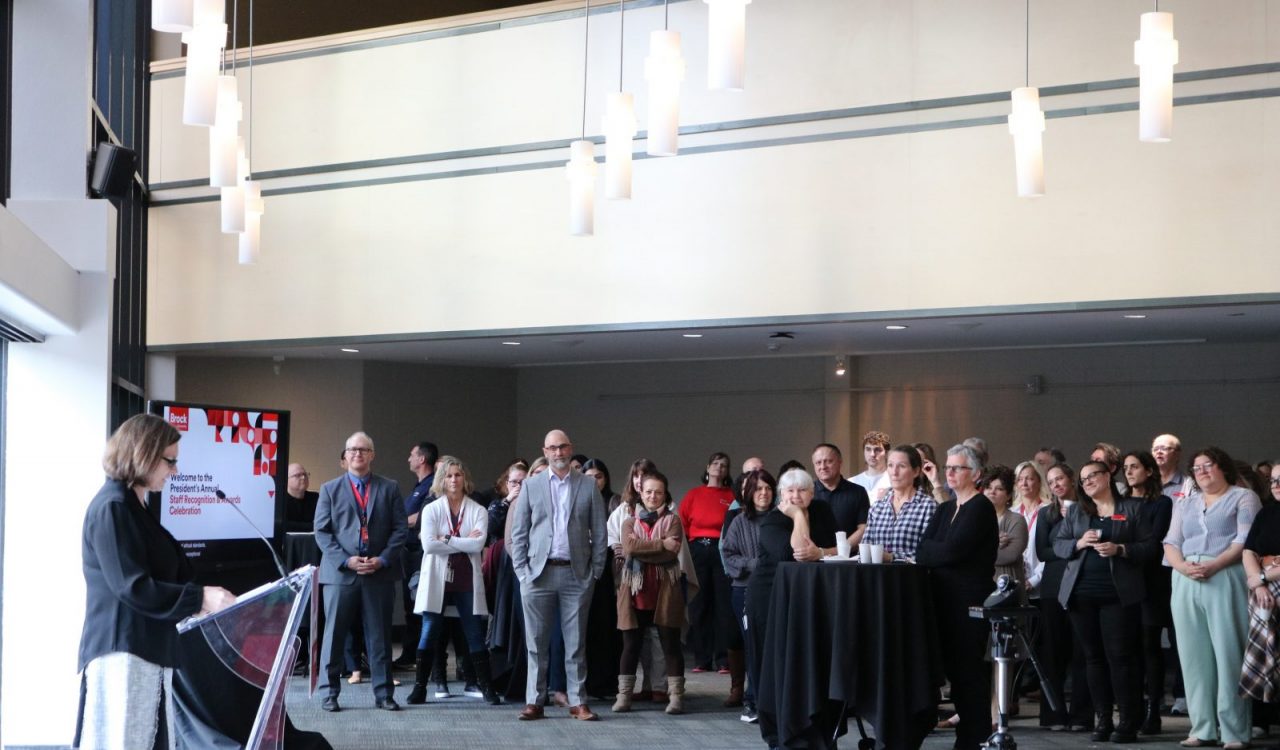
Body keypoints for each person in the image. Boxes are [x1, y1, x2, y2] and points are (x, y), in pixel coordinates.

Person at [76, 414, 236, 750]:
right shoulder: (113, 508)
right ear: (143, 453)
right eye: (170, 461)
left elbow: (171, 572)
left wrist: (206, 595)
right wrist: (200, 599)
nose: (175, 471)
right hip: (123, 650)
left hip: (146, 648)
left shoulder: (136, 506)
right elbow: (132, 587)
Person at [508, 429, 609, 721]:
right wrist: (522, 573)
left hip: (576, 575)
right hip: (537, 575)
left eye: (563, 447)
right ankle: (534, 702)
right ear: (545, 450)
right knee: (536, 644)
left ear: (570, 448)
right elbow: (519, 533)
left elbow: (600, 533)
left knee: (575, 643)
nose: (558, 453)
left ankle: (578, 701)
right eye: (552, 448)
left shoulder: (587, 486)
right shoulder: (531, 485)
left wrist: (595, 573)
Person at [1163, 447, 1260, 750]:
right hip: (1185, 577)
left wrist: (1214, 564)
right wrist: (1182, 567)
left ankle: (1234, 731)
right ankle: (1202, 727)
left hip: (1226, 574)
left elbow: (1244, 540)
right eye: (1197, 468)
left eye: (1209, 465)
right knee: (1193, 658)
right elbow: (1171, 541)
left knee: (1229, 654)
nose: (1203, 471)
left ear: (1223, 468)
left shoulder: (1243, 497)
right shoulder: (1185, 503)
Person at [1053, 460, 1156, 743]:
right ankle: (1103, 720)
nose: (1087, 482)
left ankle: (1127, 721)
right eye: (1083, 479)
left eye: (1092, 476)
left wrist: (1120, 549)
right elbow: (1058, 544)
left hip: (1118, 596)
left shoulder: (1132, 509)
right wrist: (1078, 543)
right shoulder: (1077, 512)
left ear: (1108, 476)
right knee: (1092, 658)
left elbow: (1150, 547)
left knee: (1120, 658)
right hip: (1081, 595)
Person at [314, 431, 410, 712]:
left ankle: (384, 694)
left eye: (363, 449)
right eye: (352, 450)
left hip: (378, 573)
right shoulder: (329, 489)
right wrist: (346, 560)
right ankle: (329, 693)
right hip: (341, 575)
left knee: (380, 636)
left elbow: (400, 529)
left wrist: (382, 560)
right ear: (345, 457)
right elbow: (322, 532)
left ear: (372, 455)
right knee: (333, 637)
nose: (358, 453)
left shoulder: (389, 487)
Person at [916, 444, 998, 750]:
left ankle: (973, 738)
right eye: (948, 467)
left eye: (957, 468)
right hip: (942, 600)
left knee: (968, 672)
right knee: (953, 671)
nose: (949, 472)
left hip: (969, 601)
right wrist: (941, 553)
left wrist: (940, 552)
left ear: (975, 474)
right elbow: (922, 550)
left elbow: (953, 550)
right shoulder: (945, 508)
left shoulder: (980, 507)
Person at [749, 469, 838, 750]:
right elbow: (796, 554)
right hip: (768, 597)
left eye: (802, 491)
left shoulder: (823, 510)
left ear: (812, 494)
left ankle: (812, 728)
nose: (796, 496)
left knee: (804, 662)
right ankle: (777, 734)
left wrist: (823, 552)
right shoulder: (773, 520)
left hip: (809, 598)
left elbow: (839, 546)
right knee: (770, 665)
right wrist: (798, 516)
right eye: (790, 491)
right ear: (781, 496)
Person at [407, 456, 500, 705]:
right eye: (448, 475)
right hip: (437, 577)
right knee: (429, 631)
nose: (453, 479)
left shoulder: (478, 509)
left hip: (466, 578)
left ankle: (487, 688)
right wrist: (460, 542)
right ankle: (419, 688)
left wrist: (445, 538)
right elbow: (428, 544)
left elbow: (477, 544)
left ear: (465, 478)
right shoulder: (431, 509)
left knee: (474, 633)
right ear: (441, 479)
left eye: (458, 475)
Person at [613, 471, 692, 715]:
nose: (653, 496)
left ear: (665, 493)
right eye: (648, 491)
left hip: (664, 591)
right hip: (635, 592)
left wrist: (643, 549)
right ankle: (624, 696)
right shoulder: (629, 521)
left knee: (671, 646)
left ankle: (676, 696)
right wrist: (660, 544)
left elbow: (671, 553)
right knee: (630, 647)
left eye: (658, 492)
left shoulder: (673, 520)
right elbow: (629, 547)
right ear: (641, 493)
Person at [1121, 449, 1174, 735]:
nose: (1129, 472)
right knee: (1129, 648)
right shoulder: (1120, 503)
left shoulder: (1161, 503)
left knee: (1149, 646)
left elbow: (1154, 540)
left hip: (1152, 580)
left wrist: (1124, 549)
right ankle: (1134, 708)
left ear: (1149, 471)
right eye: (1126, 467)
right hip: (1124, 579)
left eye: (1135, 467)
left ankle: (1154, 709)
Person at [1038, 463, 1094, 732]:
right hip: (1052, 588)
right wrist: (1071, 546)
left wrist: (1066, 547)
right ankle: (1053, 715)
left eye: (1060, 478)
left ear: (1072, 479)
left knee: (1083, 652)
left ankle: (1082, 716)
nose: (1056, 484)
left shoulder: (1089, 508)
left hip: (1081, 585)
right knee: (1052, 653)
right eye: (1051, 481)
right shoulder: (1046, 514)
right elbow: (1042, 552)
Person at [607, 457, 666, 703]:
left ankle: (659, 686)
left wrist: (637, 547)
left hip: (659, 577)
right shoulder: (623, 509)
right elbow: (616, 540)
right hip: (629, 578)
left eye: (645, 475)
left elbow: (671, 545)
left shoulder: (666, 510)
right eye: (636, 476)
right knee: (633, 636)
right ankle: (633, 688)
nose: (640, 480)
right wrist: (629, 548)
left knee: (657, 636)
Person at [721, 468, 776, 723]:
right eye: (758, 488)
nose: (763, 493)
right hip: (744, 591)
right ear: (749, 493)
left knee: (774, 647)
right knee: (753, 646)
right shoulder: (739, 521)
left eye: (767, 488)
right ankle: (753, 701)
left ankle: (772, 701)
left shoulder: (781, 519)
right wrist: (756, 565)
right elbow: (728, 555)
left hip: (776, 591)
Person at [678, 451, 735, 674]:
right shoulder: (694, 495)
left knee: (723, 605)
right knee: (699, 604)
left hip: (721, 550)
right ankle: (702, 659)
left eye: (724, 465)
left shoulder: (731, 496)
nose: (719, 468)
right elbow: (681, 524)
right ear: (708, 467)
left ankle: (723, 660)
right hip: (697, 550)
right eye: (716, 464)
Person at [393, 441, 437, 669]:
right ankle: (410, 654)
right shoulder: (418, 486)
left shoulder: (432, 486)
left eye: (412, 455)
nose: (408, 459)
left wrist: (399, 522)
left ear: (422, 459)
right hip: (409, 553)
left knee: (418, 606)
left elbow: (421, 516)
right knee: (410, 607)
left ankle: (418, 656)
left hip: (420, 554)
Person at [863, 444, 935, 561]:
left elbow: (927, 553)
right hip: (877, 576)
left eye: (901, 466)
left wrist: (892, 557)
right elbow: (865, 547)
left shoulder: (927, 506)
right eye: (890, 465)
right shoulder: (877, 506)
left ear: (916, 471)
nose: (894, 472)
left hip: (909, 576)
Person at [982, 464, 1028, 598]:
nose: (992, 492)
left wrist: (978, 549)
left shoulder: (1016, 520)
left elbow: (1010, 555)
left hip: (1008, 589)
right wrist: (994, 542)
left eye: (999, 489)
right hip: (982, 586)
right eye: (989, 487)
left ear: (1008, 495)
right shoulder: (976, 519)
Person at [810, 442, 871, 544]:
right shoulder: (806, 492)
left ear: (840, 462)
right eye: (818, 463)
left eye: (828, 461)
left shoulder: (858, 492)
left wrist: (841, 549)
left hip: (848, 556)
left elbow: (863, 528)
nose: (823, 466)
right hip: (812, 556)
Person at [1014, 461, 1050, 597]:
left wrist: (1034, 580)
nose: (1024, 484)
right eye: (1020, 479)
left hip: (1042, 586)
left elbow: (1052, 550)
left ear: (1039, 481)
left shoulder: (1050, 511)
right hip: (1016, 584)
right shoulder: (1013, 512)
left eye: (1029, 479)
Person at [851, 430, 891, 503]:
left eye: (878, 450)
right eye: (868, 449)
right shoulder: (852, 482)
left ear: (886, 453)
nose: (872, 454)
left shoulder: (894, 481)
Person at [1152, 434, 1190, 501]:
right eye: (1156, 449)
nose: (1159, 452)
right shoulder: (1144, 483)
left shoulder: (1188, 484)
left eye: (1164, 448)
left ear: (1177, 454)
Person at [284, 463, 319, 532]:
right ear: (286, 479)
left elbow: (324, 523)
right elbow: (283, 525)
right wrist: (312, 526)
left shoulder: (316, 498)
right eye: (298, 475)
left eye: (305, 474)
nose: (303, 477)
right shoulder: (280, 501)